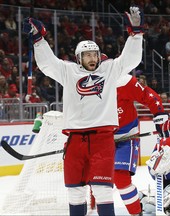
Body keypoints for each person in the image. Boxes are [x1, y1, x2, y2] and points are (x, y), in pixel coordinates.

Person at [23, 6, 144, 216]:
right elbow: (48, 65)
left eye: (95, 55)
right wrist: (39, 40)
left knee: (103, 191)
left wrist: (136, 34)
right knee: (75, 192)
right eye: (87, 55)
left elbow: (130, 60)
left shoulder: (109, 70)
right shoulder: (68, 71)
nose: (92, 59)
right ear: (79, 58)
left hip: (103, 140)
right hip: (75, 141)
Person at [114, 72, 170, 215]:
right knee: (98, 184)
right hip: (100, 138)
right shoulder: (85, 84)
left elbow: (148, 95)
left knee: (120, 178)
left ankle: (135, 212)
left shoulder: (121, 80)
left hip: (126, 135)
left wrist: (160, 117)